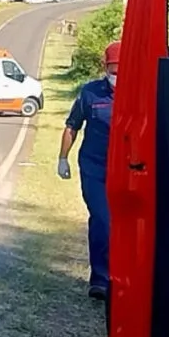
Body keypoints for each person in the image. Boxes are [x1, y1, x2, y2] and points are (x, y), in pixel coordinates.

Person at [57, 40, 120, 301]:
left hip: (127, 169)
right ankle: (101, 281)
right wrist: (63, 158)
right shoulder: (90, 93)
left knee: (125, 226)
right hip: (94, 167)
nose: (117, 75)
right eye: (113, 69)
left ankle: (123, 278)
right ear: (105, 67)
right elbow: (73, 125)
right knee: (103, 221)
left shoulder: (141, 92)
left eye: (121, 69)